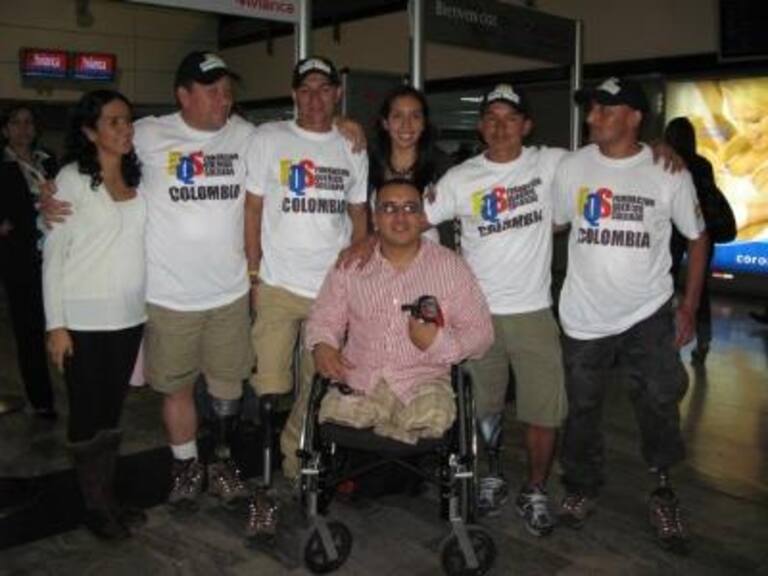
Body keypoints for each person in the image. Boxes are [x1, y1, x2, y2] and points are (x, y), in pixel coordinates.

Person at [43, 51, 255, 513]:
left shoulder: (246, 134)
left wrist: (345, 128)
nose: (223, 99)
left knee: (228, 388)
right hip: (168, 297)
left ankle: (222, 463)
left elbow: (296, 144)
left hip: (229, 293)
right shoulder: (146, 134)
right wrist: (49, 194)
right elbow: (96, 151)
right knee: (175, 389)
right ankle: (185, 468)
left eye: (227, 91)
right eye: (212, 91)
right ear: (183, 95)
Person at [552, 77, 707, 554]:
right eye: (592, 108)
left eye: (605, 109)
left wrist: (689, 306)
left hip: (647, 312)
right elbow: (554, 223)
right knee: (581, 408)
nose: (592, 117)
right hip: (584, 315)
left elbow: (698, 237)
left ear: (635, 117)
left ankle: (663, 490)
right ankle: (581, 485)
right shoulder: (573, 166)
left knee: (658, 401)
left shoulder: (667, 170)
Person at [424, 84, 569, 536]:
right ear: (480, 125)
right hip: (477, 314)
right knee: (482, 408)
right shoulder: (459, 178)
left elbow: (609, 162)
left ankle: (535, 488)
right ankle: (492, 474)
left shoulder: (551, 163)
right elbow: (413, 220)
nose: (500, 126)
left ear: (527, 125)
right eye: (491, 118)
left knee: (543, 410)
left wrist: (658, 149)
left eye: (510, 118)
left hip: (533, 312)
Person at [245, 56, 369, 485]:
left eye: (324, 89)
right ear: (294, 94)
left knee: (317, 384)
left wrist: (355, 281)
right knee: (269, 387)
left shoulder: (352, 145)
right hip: (277, 285)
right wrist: (253, 275)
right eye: (306, 89)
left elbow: (359, 217)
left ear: (337, 94)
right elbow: (252, 209)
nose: (315, 98)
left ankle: (293, 462)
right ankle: (263, 476)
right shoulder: (268, 138)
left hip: (329, 290)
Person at [306, 179, 493, 444]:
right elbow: (325, 316)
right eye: (389, 208)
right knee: (332, 424)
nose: (400, 217)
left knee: (429, 427)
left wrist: (439, 343)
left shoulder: (451, 268)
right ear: (375, 218)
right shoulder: (351, 265)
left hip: (424, 382)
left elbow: (481, 333)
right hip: (360, 380)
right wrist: (322, 344)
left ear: (421, 217)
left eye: (409, 208)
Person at [43, 90, 146, 539]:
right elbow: (53, 257)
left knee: (111, 410)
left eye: (128, 120)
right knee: (87, 413)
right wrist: (56, 325)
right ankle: (95, 506)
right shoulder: (71, 179)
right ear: (89, 131)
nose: (125, 129)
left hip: (129, 317)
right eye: (113, 122)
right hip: (82, 320)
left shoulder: (138, 174)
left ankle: (107, 496)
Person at [0, 103, 57, 418]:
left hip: (56, 255)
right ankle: (42, 400)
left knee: (64, 325)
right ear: (5, 129)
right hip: (20, 258)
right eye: (16, 123)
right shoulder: (3, 164)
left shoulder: (48, 160)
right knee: (29, 332)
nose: (24, 128)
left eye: (29, 122)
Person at [666, 116, 733, 364]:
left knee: (666, 282)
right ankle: (703, 341)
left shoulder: (668, 163)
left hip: (672, 230)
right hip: (702, 231)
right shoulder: (703, 164)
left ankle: (667, 339)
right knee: (700, 287)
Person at [370, 85, 455, 247]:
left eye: (415, 116)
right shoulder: (367, 166)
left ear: (424, 123)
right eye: (398, 116)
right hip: (379, 257)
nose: (406, 125)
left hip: (433, 258)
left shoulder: (442, 167)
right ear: (385, 123)